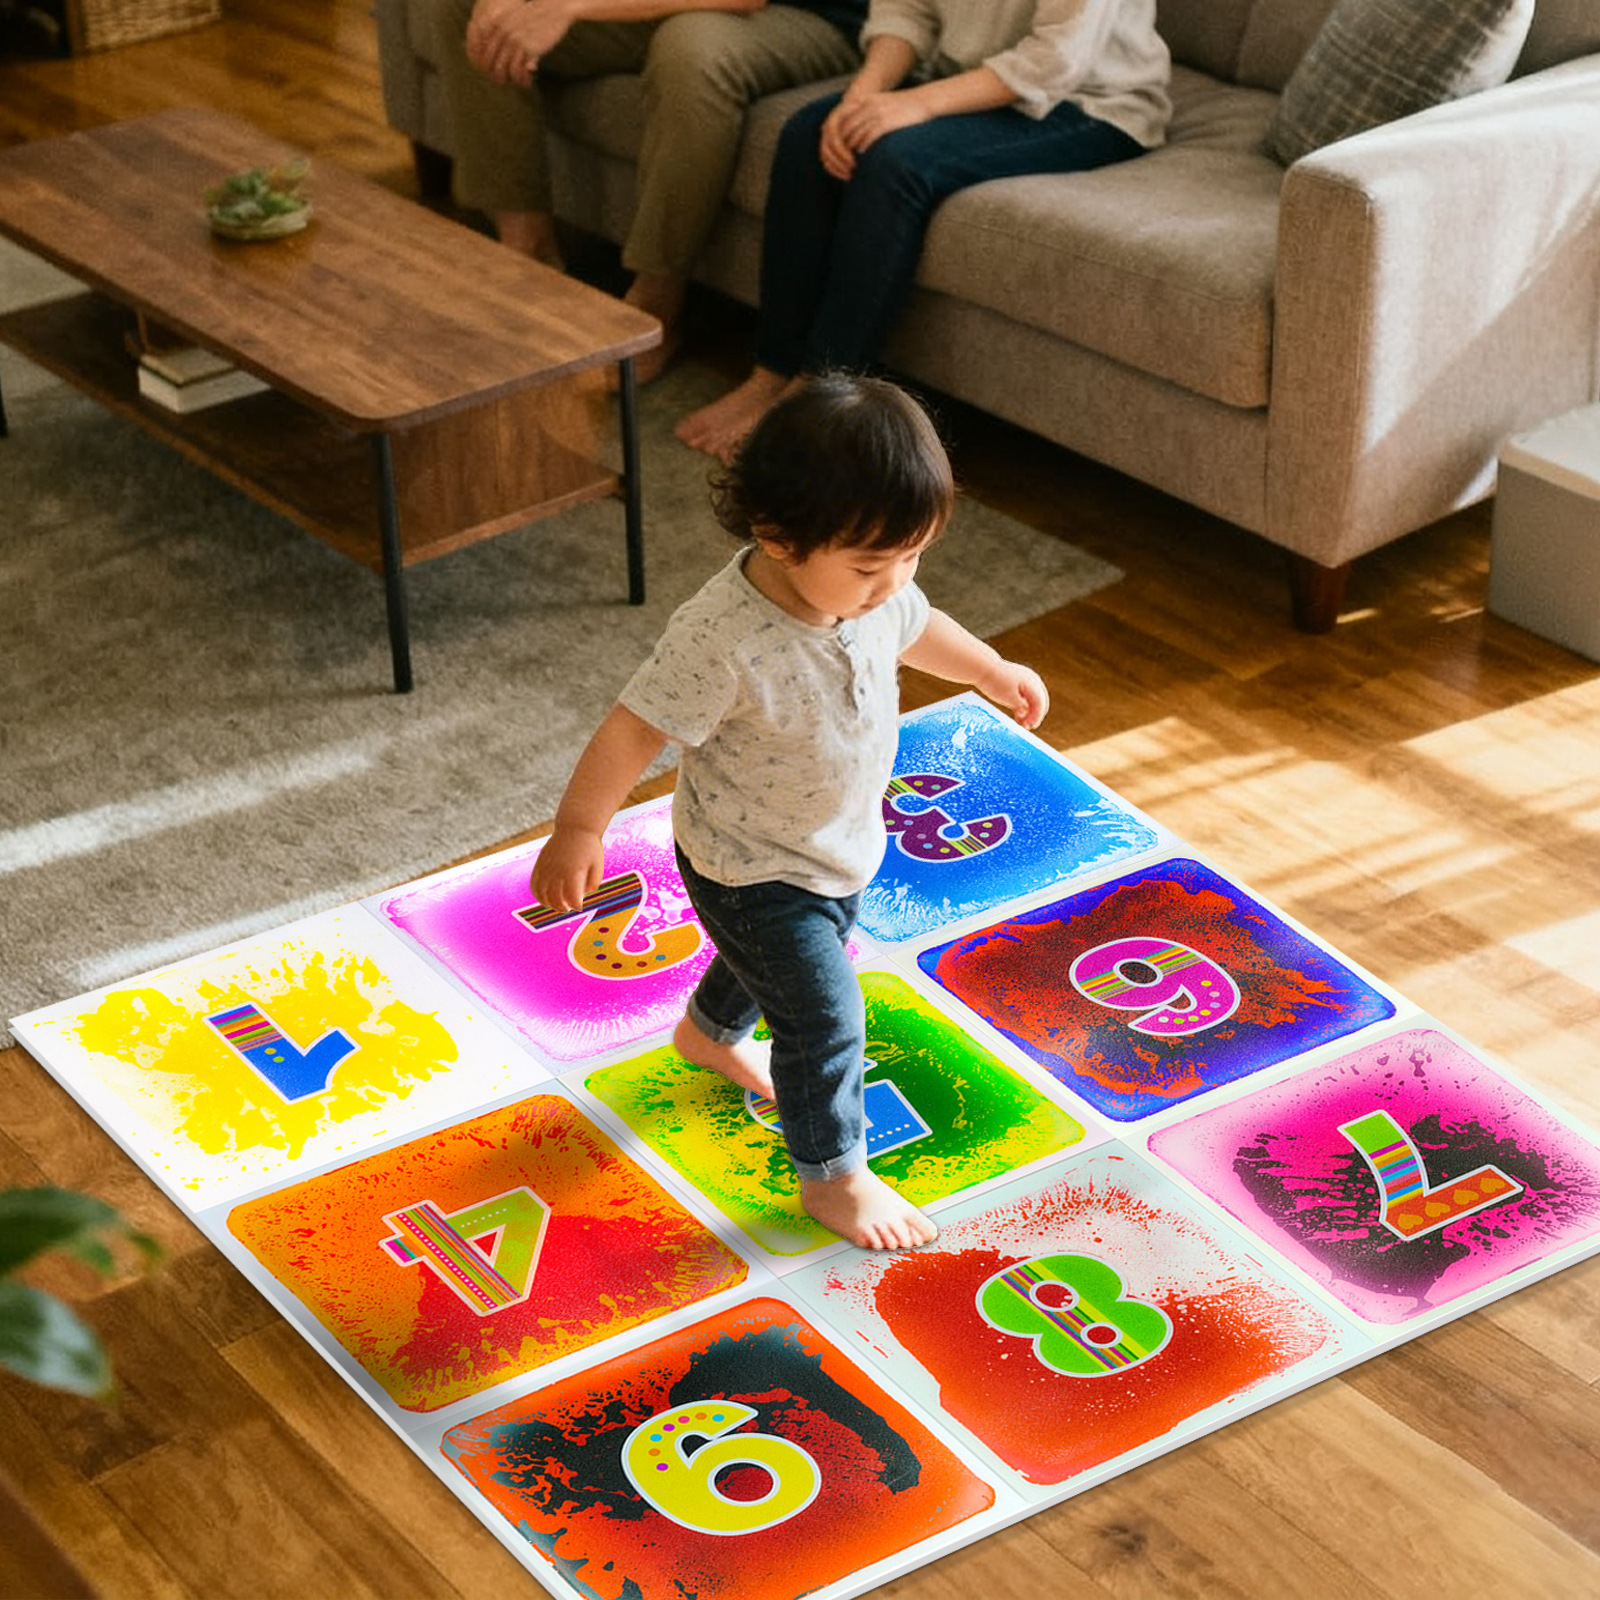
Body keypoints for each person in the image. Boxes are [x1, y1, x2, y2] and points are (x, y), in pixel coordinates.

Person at [530, 374, 1047, 1249]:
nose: (894, 585)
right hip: (748, 865)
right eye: (872, 567)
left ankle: (708, 1032)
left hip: (838, 843)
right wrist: (580, 829)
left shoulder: (875, 594)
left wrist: (990, 671)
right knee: (823, 1017)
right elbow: (633, 727)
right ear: (777, 537)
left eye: (912, 558)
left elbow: (919, 625)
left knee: (777, 966)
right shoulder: (722, 637)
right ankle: (834, 1177)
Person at [677, 0, 1171, 457]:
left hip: (1092, 102)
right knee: (811, 136)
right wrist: (859, 100)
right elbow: (905, 10)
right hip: (970, 81)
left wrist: (920, 104)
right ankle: (771, 373)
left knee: (894, 164)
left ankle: (819, 398)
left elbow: (1056, 59)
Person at [432, 0, 869, 380]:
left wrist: (569, 6)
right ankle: (529, 254)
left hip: (808, 15)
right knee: (472, 9)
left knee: (690, 50)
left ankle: (656, 305)